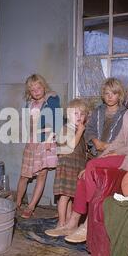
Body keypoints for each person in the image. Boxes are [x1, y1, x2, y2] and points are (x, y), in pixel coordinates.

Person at [52, 70, 128, 243]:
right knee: (85, 174)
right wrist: (97, 160)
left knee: (92, 167)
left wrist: (124, 150)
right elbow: (117, 142)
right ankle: (73, 222)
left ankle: (89, 225)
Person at [45, 78, 126, 237]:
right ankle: (67, 223)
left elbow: (124, 137)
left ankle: (81, 223)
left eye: (114, 93)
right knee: (69, 193)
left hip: (111, 154)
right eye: (106, 93)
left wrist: (108, 147)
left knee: (73, 193)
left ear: (120, 95)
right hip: (91, 155)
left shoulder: (125, 114)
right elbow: (88, 132)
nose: (110, 97)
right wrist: (95, 141)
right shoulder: (98, 112)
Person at [16, 74, 61, 219]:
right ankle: (16, 204)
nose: (36, 91)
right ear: (29, 92)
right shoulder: (29, 104)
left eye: (38, 88)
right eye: (32, 89)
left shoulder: (52, 99)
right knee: (24, 175)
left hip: (46, 140)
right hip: (32, 141)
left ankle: (30, 207)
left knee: (42, 174)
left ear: (44, 86)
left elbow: (57, 120)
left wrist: (50, 137)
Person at [43, 98, 89, 234]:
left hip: (76, 166)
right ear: (68, 115)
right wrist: (80, 131)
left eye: (82, 114)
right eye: (75, 114)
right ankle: (61, 222)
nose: (79, 117)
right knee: (64, 196)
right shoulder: (67, 128)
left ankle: (69, 221)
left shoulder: (79, 130)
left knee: (71, 195)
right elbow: (72, 145)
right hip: (67, 165)